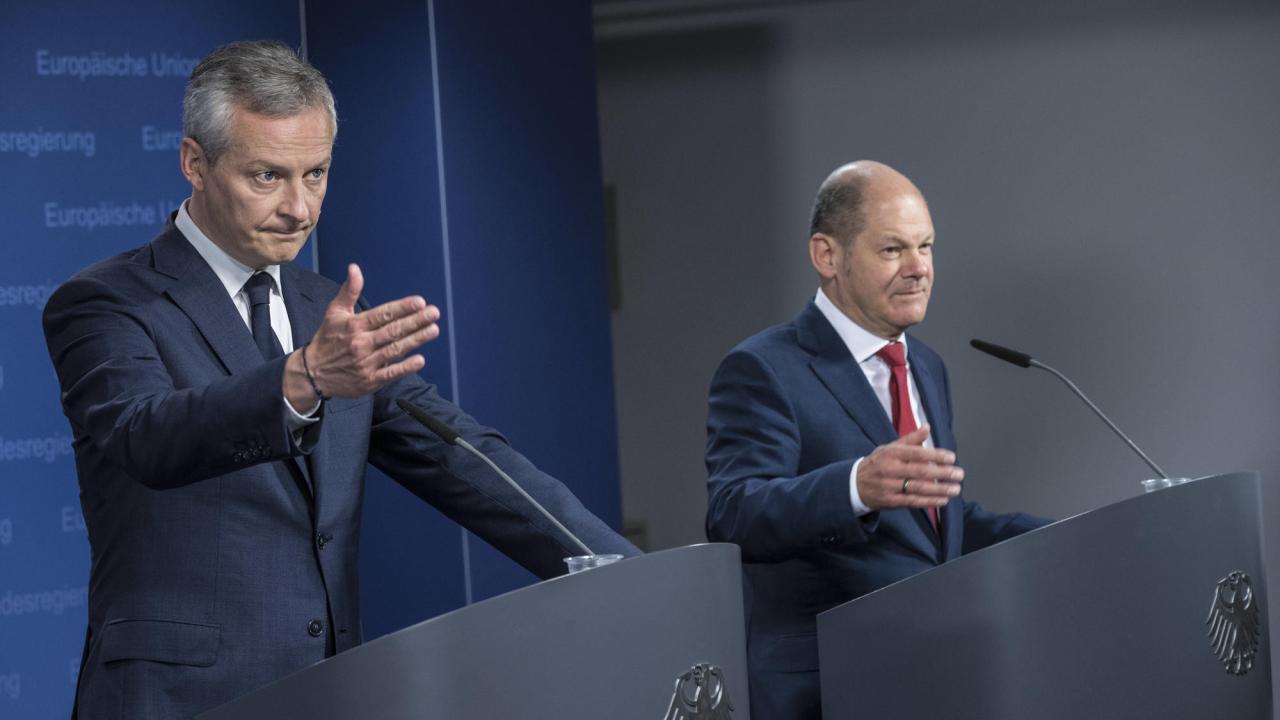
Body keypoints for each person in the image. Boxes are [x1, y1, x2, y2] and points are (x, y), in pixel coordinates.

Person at [42, 40, 637, 719]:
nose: (300, 207)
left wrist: (632, 575)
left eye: (316, 174)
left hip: (326, 692)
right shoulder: (107, 301)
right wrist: (301, 379)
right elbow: (145, 434)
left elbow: (463, 456)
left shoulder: (323, 308)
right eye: (268, 176)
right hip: (176, 701)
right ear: (194, 165)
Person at [704, 160, 1047, 719]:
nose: (918, 269)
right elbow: (734, 512)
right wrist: (854, 486)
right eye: (893, 250)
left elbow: (934, 526)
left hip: (931, 676)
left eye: (926, 247)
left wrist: (1068, 536)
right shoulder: (764, 368)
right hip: (825, 691)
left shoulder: (926, 367)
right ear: (827, 256)